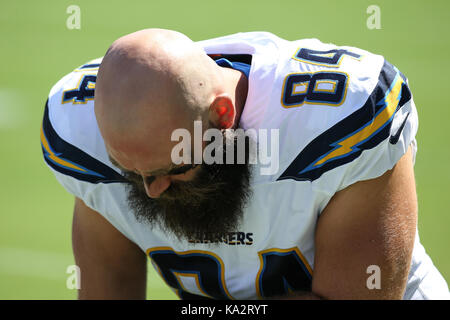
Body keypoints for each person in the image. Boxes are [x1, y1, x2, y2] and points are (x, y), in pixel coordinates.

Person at [41, 28, 449, 299]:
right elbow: (107, 290)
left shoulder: (334, 119)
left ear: (223, 116)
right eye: (130, 171)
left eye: (170, 169)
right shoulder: (82, 136)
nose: (151, 190)